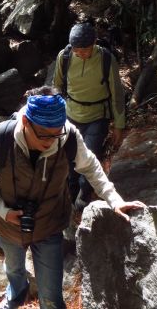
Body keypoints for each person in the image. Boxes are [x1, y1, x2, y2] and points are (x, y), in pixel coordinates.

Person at [0, 87, 144, 309]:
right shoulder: (0, 138)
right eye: (44, 134)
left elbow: (91, 167)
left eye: (57, 133)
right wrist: (1, 209)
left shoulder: (68, 137)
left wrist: (114, 199)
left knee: (52, 296)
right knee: (14, 270)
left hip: (49, 223)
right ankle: (16, 295)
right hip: (8, 224)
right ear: (25, 121)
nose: (51, 140)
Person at [53, 22, 125, 211]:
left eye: (85, 50)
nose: (81, 53)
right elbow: (57, 86)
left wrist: (119, 125)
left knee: (90, 156)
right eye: (78, 50)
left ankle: (84, 194)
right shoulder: (65, 56)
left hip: (97, 116)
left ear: (94, 43)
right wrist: (55, 114)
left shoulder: (106, 59)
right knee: (69, 157)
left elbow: (117, 93)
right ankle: (72, 190)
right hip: (70, 114)